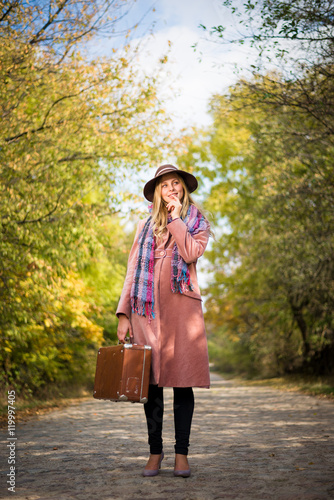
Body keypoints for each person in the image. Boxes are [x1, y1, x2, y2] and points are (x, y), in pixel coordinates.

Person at [116, 164, 211, 478]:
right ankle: (154, 452)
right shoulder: (144, 227)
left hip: (182, 312)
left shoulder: (196, 221)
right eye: (165, 185)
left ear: (183, 189)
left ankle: (181, 455)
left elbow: (190, 253)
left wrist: (174, 219)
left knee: (182, 381)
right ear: (157, 191)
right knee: (152, 383)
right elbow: (132, 273)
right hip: (147, 313)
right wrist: (124, 314)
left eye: (177, 184)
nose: (172, 188)